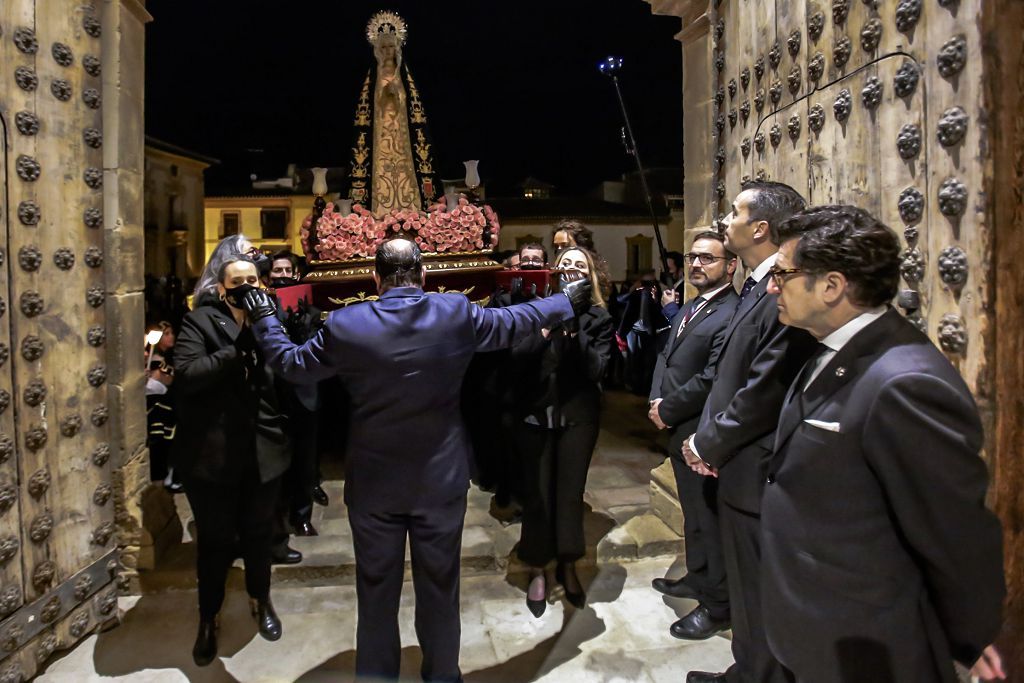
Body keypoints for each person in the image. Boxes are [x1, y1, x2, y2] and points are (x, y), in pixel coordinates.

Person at [241, 237, 592, 682]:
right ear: (424, 276)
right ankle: (442, 676)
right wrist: (564, 301)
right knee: (440, 590)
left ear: (375, 278)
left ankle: (377, 677)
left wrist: (265, 317)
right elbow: (514, 321)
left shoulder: (347, 323)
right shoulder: (454, 312)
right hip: (439, 480)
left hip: (374, 484)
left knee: (375, 592)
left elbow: (291, 363)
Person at [759, 205, 1006, 682]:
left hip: (865, 637)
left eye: (783, 274)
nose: (772, 286)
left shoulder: (904, 382)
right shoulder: (830, 347)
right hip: (810, 617)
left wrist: (975, 637)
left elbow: (951, 529)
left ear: (831, 286)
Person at [681, 181, 817, 683]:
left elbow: (765, 386)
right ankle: (747, 670)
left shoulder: (778, 292)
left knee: (758, 590)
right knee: (745, 585)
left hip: (755, 462)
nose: (725, 220)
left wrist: (708, 440)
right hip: (737, 459)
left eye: (734, 212)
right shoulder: (758, 287)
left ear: (759, 227)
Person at [173, 255, 291, 666]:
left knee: (260, 534)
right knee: (215, 541)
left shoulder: (270, 320)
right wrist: (237, 350)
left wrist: (274, 329)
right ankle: (208, 618)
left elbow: (288, 372)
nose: (245, 287)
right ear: (222, 289)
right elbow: (187, 374)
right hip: (214, 453)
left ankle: (262, 599)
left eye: (252, 280)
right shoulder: (200, 322)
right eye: (236, 282)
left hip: (262, 449)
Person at [510, 247, 614, 617]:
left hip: (577, 418)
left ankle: (568, 563)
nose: (571, 269)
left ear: (590, 276)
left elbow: (597, 369)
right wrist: (544, 328)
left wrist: (574, 326)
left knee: (569, 495)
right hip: (535, 417)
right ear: (554, 272)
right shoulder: (533, 311)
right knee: (537, 495)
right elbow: (515, 363)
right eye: (565, 263)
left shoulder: (598, 318)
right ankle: (538, 567)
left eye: (579, 265)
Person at [647, 233, 739, 638]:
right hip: (675, 425)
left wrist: (667, 409)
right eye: (692, 256)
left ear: (731, 265)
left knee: (708, 517)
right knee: (692, 515)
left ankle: (718, 605)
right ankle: (697, 578)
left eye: (708, 257)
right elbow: (666, 357)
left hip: (700, 429)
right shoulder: (690, 305)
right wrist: (655, 398)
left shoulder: (730, 311)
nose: (697, 263)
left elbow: (712, 376)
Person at [344, 11, 442, 213]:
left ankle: (412, 210)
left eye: (391, 46)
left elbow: (411, 105)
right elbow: (369, 105)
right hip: (381, 132)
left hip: (402, 132)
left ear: (397, 47)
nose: (388, 51)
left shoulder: (404, 75)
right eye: (384, 47)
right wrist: (383, 94)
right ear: (378, 49)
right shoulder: (375, 75)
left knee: (406, 170)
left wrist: (397, 93)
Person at [263, 250, 323, 538]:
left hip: (303, 394)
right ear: (269, 275)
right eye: (278, 271)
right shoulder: (260, 309)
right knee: (276, 463)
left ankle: (302, 517)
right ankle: (275, 520)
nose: (283, 276)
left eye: (288, 271)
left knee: (304, 462)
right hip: (272, 395)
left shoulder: (309, 311)